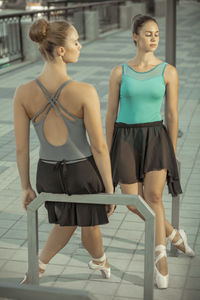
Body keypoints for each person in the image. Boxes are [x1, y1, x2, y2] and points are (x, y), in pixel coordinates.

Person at [14, 18, 115, 283]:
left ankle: (95, 260)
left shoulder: (22, 93)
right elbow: (99, 146)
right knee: (83, 221)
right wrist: (110, 187)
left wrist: (25, 187)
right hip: (82, 170)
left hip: (46, 172)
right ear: (60, 50)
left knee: (76, 220)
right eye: (75, 41)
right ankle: (91, 261)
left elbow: (22, 149)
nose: (80, 46)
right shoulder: (85, 91)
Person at [106, 14, 195, 289]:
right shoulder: (119, 71)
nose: (154, 37)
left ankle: (160, 260)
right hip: (125, 139)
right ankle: (173, 234)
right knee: (133, 201)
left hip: (156, 138)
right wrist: (108, 151)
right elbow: (110, 114)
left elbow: (171, 113)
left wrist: (172, 151)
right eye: (148, 33)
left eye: (156, 33)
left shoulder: (168, 71)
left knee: (154, 196)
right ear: (135, 36)